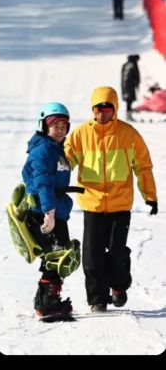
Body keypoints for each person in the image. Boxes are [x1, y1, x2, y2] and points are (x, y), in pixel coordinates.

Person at [64, 86, 157, 312]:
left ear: (114, 109)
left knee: (117, 253)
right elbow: (64, 162)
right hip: (93, 205)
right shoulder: (80, 135)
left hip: (120, 205)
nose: (102, 112)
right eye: (98, 108)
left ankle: (118, 287)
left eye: (107, 108)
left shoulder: (129, 134)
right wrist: (49, 184)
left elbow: (143, 166)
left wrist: (150, 196)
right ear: (92, 109)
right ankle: (97, 299)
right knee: (92, 257)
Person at [18, 102, 78, 318]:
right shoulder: (43, 150)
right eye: (55, 126)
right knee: (55, 257)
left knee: (58, 256)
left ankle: (48, 300)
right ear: (44, 126)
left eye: (64, 126)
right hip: (45, 213)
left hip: (57, 210)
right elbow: (43, 183)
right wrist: (49, 213)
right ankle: (45, 304)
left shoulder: (55, 149)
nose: (60, 130)